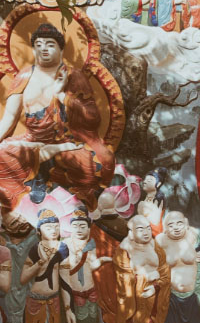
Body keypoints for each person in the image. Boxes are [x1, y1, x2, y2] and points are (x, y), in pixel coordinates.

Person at [0, 22, 115, 211]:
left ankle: (64, 193)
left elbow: (93, 118)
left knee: (101, 159)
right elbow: (9, 119)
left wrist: (61, 94)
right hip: (32, 140)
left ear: (61, 49)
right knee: (3, 153)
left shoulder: (75, 76)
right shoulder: (24, 77)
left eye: (50, 44)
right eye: (38, 45)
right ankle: (30, 188)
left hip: (69, 140)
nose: (43, 49)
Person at [100, 215, 170, 323]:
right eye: (140, 229)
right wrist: (143, 280)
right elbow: (124, 278)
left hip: (153, 300)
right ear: (131, 232)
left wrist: (155, 287)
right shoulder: (124, 251)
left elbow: (165, 274)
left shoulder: (156, 248)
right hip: (133, 304)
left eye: (147, 228)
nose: (146, 232)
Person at [59, 208, 111, 323]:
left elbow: (93, 265)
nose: (79, 229)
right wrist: (67, 307)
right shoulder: (65, 246)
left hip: (91, 293)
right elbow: (64, 274)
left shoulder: (91, 244)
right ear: (70, 228)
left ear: (89, 228)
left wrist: (105, 261)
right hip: (75, 296)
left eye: (83, 226)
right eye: (76, 226)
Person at [137, 167, 167, 236]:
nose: (144, 182)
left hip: (153, 232)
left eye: (149, 180)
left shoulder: (158, 199)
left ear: (158, 184)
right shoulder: (146, 198)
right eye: (145, 179)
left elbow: (155, 221)